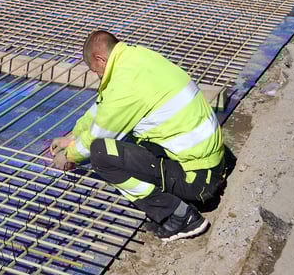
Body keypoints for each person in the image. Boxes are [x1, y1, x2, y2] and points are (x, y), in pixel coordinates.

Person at [50, 30, 225, 242]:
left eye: (96, 71)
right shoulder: (136, 58)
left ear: (100, 59)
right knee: (127, 135)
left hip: (197, 180)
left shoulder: (125, 86)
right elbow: (104, 108)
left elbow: (98, 135)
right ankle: (176, 196)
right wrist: (73, 134)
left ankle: (181, 215)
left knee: (101, 153)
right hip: (209, 162)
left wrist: (69, 154)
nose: (97, 76)